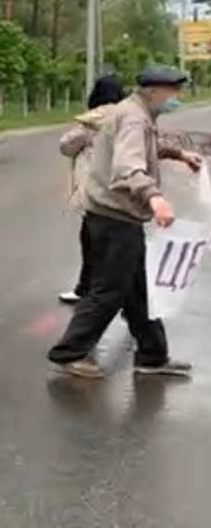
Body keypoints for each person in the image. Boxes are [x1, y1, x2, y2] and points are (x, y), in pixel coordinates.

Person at [47, 66, 203, 379]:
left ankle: (152, 355)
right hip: (114, 217)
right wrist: (154, 197)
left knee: (137, 292)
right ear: (155, 91)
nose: (177, 98)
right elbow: (127, 166)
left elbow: (145, 146)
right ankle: (69, 352)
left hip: (114, 215)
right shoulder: (133, 117)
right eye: (174, 92)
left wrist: (178, 154)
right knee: (108, 291)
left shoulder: (134, 113)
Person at [57, 73, 130, 304]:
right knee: (124, 246)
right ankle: (131, 297)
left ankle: (88, 290)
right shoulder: (130, 118)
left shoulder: (91, 121)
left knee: (91, 242)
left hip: (96, 193)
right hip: (124, 191)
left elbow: (66, 146)